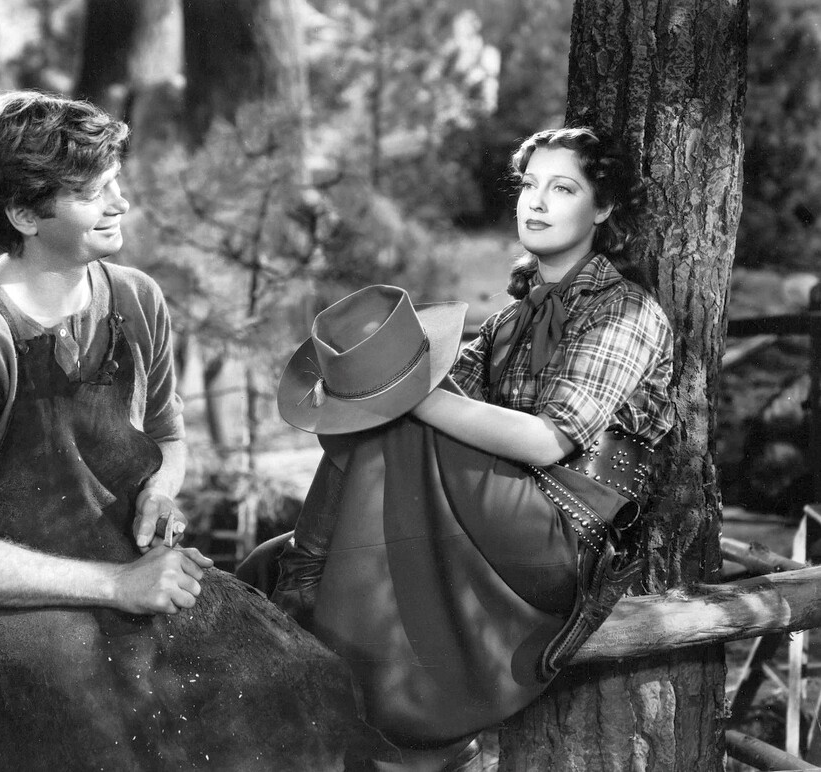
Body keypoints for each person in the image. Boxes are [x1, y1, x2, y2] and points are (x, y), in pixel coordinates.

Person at [0, 90, 388, 772]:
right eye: (92, 193)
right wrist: (117, 585)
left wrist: (160, 487)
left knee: (301, 680)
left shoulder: (134, 297)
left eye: (115, 182)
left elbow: (167, 436)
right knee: (106, 736)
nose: (120, 203)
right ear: (21, 214)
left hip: (135, 577)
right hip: (14, 610)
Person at [262, 127, 676, 771]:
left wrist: (404, 398)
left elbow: (546, 441)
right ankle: (300, 575)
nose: (537, 202)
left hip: (565, 530)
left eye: (563, 189)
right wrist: (371, 387)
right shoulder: (511, 318)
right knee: (379, 409)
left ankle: (305, 584)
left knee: (394, 410)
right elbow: (433, 414)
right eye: (529, 185)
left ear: (603, 208)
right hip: (496, 512)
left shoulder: (628, 311)